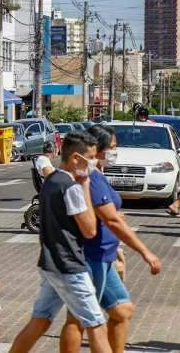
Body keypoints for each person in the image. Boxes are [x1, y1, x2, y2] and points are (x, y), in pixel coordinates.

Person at [57, 125, 161, 352]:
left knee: (122, 311)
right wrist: (145, 251)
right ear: (97, 150)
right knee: (79, 320)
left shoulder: (96, 175)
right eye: (112, 147)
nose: (116, 151)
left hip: (104, 255)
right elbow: (112, 221)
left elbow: (108, 214)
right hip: (90, 257)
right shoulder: (90, 179)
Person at [9, 132, 112, 353]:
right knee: (97, 324)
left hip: (50, 263)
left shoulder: (51, 181)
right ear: (76, 158)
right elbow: (90, 229)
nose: (95, 163)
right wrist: (84, 184)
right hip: (70, 266)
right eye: (91, 158)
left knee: (41, 320)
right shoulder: (72, 187)